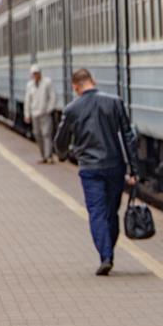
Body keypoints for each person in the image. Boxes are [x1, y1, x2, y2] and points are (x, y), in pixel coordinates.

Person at [54, 68, 140, 276]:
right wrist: (134, 169)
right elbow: (129, 137)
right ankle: (108, 250)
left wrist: (63, 154)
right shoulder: (114, 102)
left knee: (97, 213)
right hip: (114, 167)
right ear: (93, 80)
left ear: (75, 87)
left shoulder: (72, 109)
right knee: (111, 213)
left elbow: (61, 140)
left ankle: (106, 255)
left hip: (90, 169)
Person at [24, 64, 57, 164]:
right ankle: (43, 156)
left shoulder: (47, 82)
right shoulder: (30, 85)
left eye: (36, 73)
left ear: (40, 73)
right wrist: (27, 114)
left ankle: (49, 156)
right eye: (33, 74)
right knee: (37, 134)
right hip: (35, 113)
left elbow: (53, 97)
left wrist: (49, 109)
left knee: (46, 134)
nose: (35, 75)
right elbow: (27, 100)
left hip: (45, 113)